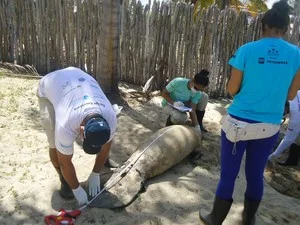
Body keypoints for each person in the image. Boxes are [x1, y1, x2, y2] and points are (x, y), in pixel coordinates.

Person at [199, 1, 300, 225]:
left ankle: (216, 218)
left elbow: (232, 89)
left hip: (238, 124)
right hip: (269, 126)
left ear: (262, 27)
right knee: (255, 175)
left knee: (228, 175)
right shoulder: (297, 55)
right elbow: (292, 95)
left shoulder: (247, 50)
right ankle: (249, 219)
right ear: (285, 29)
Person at [37, 67, 117, 206]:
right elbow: (64, 161)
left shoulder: (111, 117)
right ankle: (64, 181)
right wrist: (76, 188)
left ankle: (102, 164)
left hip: (77, 77)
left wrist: (96, 173)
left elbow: (106, 145)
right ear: (81, 130)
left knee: (101, 151)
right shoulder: (65, 124)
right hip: (49, 86)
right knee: (54, 144)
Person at [268, 91, 300, 166]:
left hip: (297, 118)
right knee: (296, 138)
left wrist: (272, 157)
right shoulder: (292, 94)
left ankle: (273, 156)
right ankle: (293, 161)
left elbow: (288, 139)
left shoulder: (296, 116)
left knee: (293, 138)